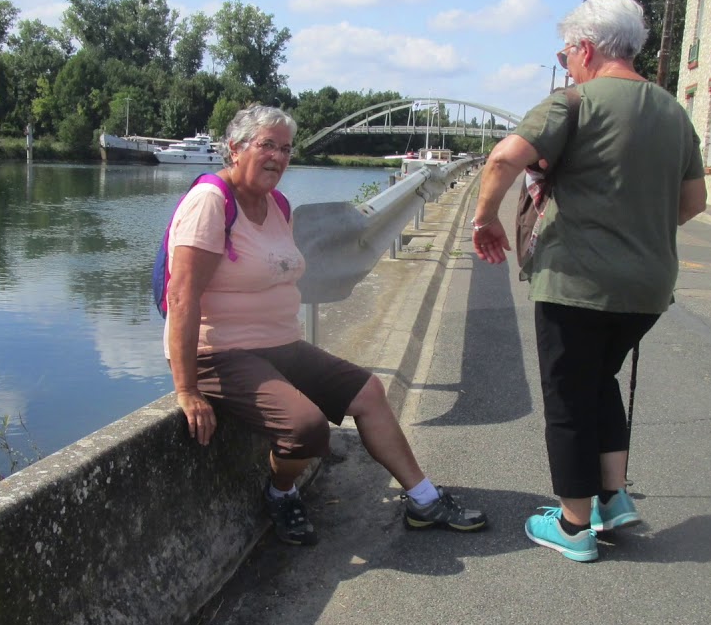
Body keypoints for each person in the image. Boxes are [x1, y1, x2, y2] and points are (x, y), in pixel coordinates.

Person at [165, 104, 487, 545]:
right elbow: (182, 296)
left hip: (280, 344)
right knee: (305, 426)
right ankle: (281, 493)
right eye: (266, 145)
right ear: (235, 149)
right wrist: (186, 389)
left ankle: (424, 499)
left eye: (285, 148)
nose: (278, 156)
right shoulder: (210, 202)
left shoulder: (276, 203)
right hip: (222, 352)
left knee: (369, 392)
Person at [470, 0, 707, 562]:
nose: (566, 62)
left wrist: (483, 218)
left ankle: (575, 526)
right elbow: (692, 202)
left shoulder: (572, 103)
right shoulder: (673, 111)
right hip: (646, 287)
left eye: (565, 52)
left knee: (569, 395)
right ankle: (612, 494)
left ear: (586, 48)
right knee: (599, 378)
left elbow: (504, 159)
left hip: (576, 282)